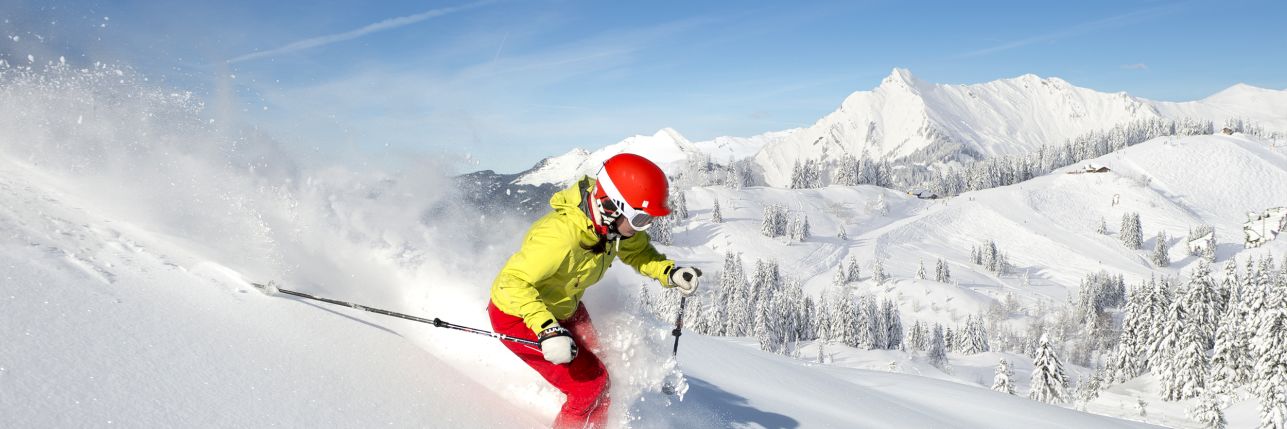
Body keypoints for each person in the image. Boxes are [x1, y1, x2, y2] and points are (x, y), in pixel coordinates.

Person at [488, 153, 702, 429]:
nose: (643, 227)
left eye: (649, 220)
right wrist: (547, 329)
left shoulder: (610, 229)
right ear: (611, 206)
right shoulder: (560, 237)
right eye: (640, 219)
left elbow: (638, 252)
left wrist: (668, 272)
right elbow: (511, 282)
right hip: (518, 314)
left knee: (603, 368)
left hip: (564, 306)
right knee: (589, 386)